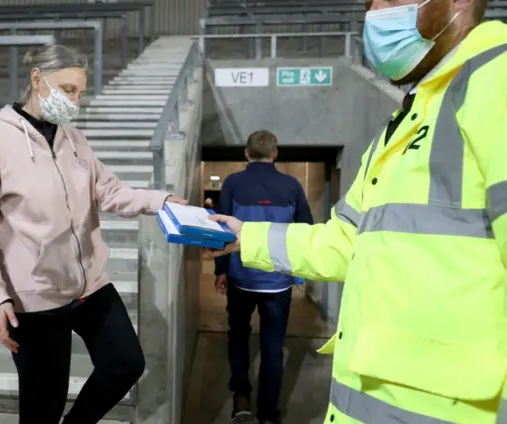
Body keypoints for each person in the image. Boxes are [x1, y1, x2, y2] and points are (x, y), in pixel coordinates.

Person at [208, 1, 507, 423]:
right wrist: (246, 237)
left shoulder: (496, 80)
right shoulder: (404, 120)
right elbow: (346, 238)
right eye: (369, 4)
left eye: (388, 0)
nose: (375, 14)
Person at [0, 44, 186, 424]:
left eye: (80, 91)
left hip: (89, 285)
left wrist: (162, 201)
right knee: (44, 404)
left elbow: (109, 191)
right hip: (35, 297)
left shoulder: (72, 139)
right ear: (36, 79)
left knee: (125, 363)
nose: (75, 100)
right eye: (67, 89)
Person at [214, 130, 313, 424]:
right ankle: (268, 414)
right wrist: (298, 271)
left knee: (238, 337)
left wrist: (221, 271)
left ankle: (241, 401)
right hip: (278, 281)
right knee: (272, 347)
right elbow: (305, 230)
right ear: (276, 153)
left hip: (241, 278)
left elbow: (220, 230)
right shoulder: (292, 186)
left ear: (246, 153)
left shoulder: (233, 183)